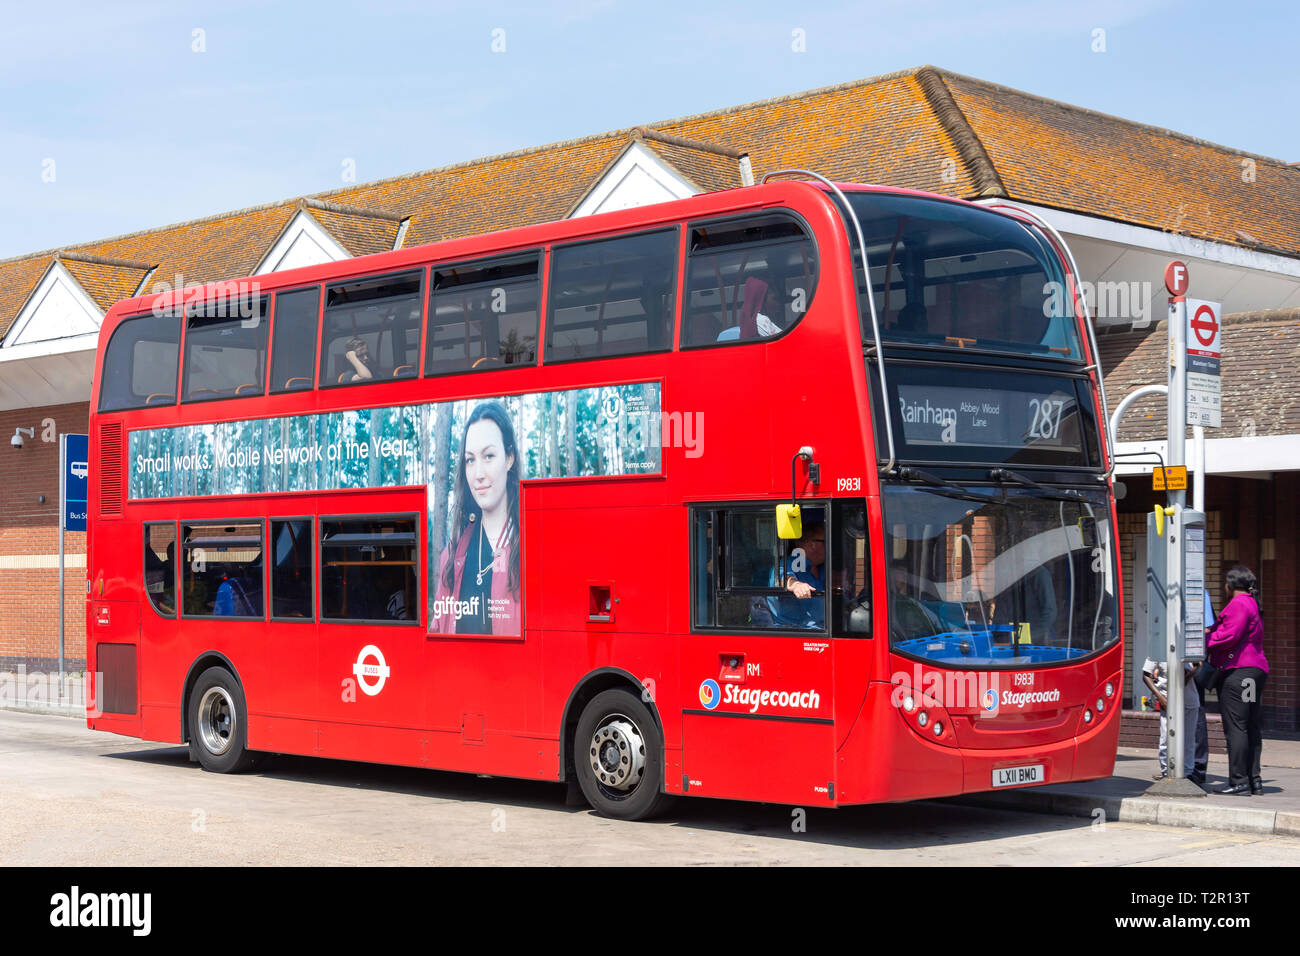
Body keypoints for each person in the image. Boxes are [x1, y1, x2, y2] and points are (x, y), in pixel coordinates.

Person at [432, 401, 522, 637]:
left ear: (509, 458)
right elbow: (438, 631)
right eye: (470, 460)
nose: (478, 474)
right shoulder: (451, 557)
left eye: (489, 456)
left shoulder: (531, 549)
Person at [1207, 565, 1269, 795]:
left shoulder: (1239, 604)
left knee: (1237, 727)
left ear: (1231, 585)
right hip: (1253, 672)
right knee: (1250, 726)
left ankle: (1239, 781)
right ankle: (1254, 780)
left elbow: (1228, 636)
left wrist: (1204, 639)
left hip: (1239, 672)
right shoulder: (1252, 602)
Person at [1142, 657, 1200, 781]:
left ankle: (1187, 773)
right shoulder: (1158, 646)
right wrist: (1160, 697)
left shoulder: (1188, 642)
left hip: (1189, 701)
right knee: (1166, 739)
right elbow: (1146, 675)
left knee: (1188, 740)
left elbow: (1198, 665)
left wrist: (1189, 675)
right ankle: (1166, 771)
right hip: (1168, 700)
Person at [775, 522, 825, 628]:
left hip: (823, 630)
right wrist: (796, 585)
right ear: (812, 544)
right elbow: (783, 579)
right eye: (825, 542)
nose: (829, 547)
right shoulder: (789, 563)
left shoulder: (824, 568)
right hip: (795, 633)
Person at [717, 277, 783, 341]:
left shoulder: (752, 321)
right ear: (762, 301)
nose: (778, 304)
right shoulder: (760, 320)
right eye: (775, 299)